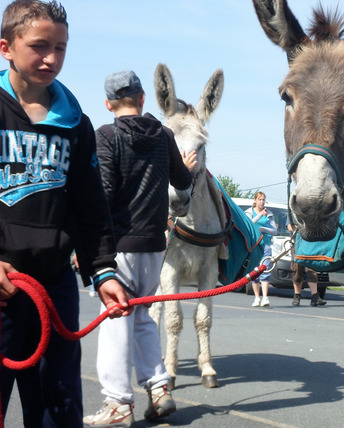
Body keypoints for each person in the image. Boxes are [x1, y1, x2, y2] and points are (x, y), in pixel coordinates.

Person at [0, 2, 132, 427]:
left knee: (59, 412)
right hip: (2, 283)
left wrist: (104, 271)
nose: (51, 58)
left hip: (53, 287)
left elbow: (89, 207)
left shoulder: (75, 122)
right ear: (5, 47)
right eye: (39, 46)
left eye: (60, 48)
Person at [82, 70, 197, 426]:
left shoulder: (107, 136)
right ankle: (159, 389)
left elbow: (103, 193)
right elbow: (181, 180)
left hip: (119, 242)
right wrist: (188, 168)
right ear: (143, 98)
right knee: (141, 315)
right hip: (153, 244)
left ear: (108, 104)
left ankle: (118, 403)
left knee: (116, 318)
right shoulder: (163, 136)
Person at [245, 191, 277, 307]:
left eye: (263, 200)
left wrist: (264, 229)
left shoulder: (269, 214)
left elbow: (275, 231)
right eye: (260, 199)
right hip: (254, 245)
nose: (262, 202)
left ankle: (265, 297)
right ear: (255, 201)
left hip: (265, 244)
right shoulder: (249, 212)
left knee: (265, 270)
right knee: (255, 271)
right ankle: (257, 298)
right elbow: (249, 224)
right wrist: (259, 216)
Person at [287, 223, 327, 307]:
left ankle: (315, 297)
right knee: (297, 271)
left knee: (312, 270)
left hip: (310, 245)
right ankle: (297, 296)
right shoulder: (293, 212)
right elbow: (290, 227)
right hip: (297, 244)